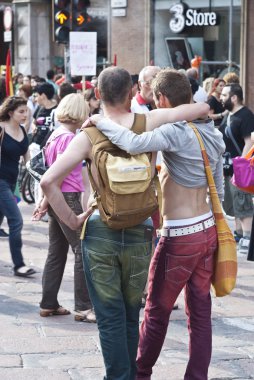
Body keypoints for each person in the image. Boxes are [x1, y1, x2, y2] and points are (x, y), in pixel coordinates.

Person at [40, 66, 209, 380]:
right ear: (133, 94)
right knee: (133, 314)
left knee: (109, 317)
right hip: (141, 230)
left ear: (99, 95)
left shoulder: (89, 134)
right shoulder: (148, 121)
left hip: (101, 230)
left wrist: (74, 220)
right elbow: (201, 107)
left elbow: (49, 181)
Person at [92, 68, 225, 380]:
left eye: (154, 101)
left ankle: (140, 373)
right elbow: (218, 186)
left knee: (155, 311)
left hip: (180, 236)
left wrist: (100, 121)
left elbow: (132, 143)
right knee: (200, 314)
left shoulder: (175, 132)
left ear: (162, 99)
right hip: (207, 229)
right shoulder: (214, 135)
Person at [32, 93, 93, 322]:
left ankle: (49, 303)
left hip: (56, 198)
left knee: (56, 252)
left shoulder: (55, 135)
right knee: (82, 249)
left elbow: (51, 176)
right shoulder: (69, 139)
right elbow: (57, 177)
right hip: (67, 199)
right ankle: (83, 306)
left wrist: (45, 203)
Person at [0, 96, 36, 277]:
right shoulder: (1, 129)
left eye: (26, 111)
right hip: (0, 183)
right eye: (21, 111)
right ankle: (19, 265)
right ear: (10, 112)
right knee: (16, 221)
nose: (25, 114)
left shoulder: (22, 130)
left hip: (13, 183)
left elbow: (27, 159)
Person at [220, 83, 254, 254]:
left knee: (243, 201)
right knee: (233, 203)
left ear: (234, 97)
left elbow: (250, 141)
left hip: (241, 168)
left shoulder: (246, 115)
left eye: (224, 95)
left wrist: (241, 163)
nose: (221, 98)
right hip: (229, 167)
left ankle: (247, 236)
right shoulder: (230, 115)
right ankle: (239, 234)